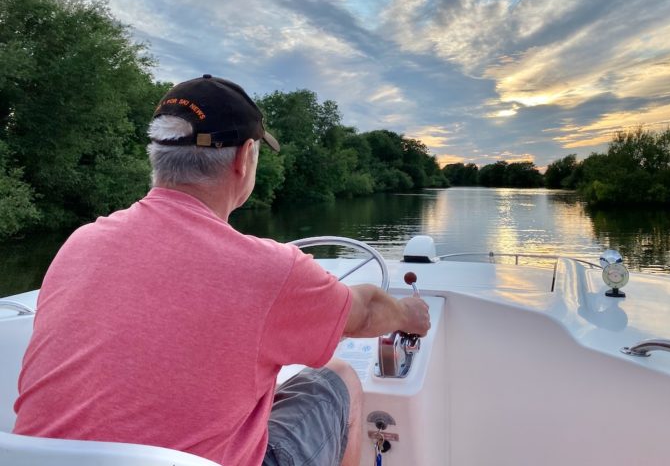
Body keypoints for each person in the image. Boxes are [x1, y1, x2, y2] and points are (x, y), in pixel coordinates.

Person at [13, 74, 430, 466]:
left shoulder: (80, 243)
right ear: (245, 158)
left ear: (156, 155)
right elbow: (366, 313)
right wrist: (410, 315)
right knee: (336, 376)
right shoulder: (269, 269)